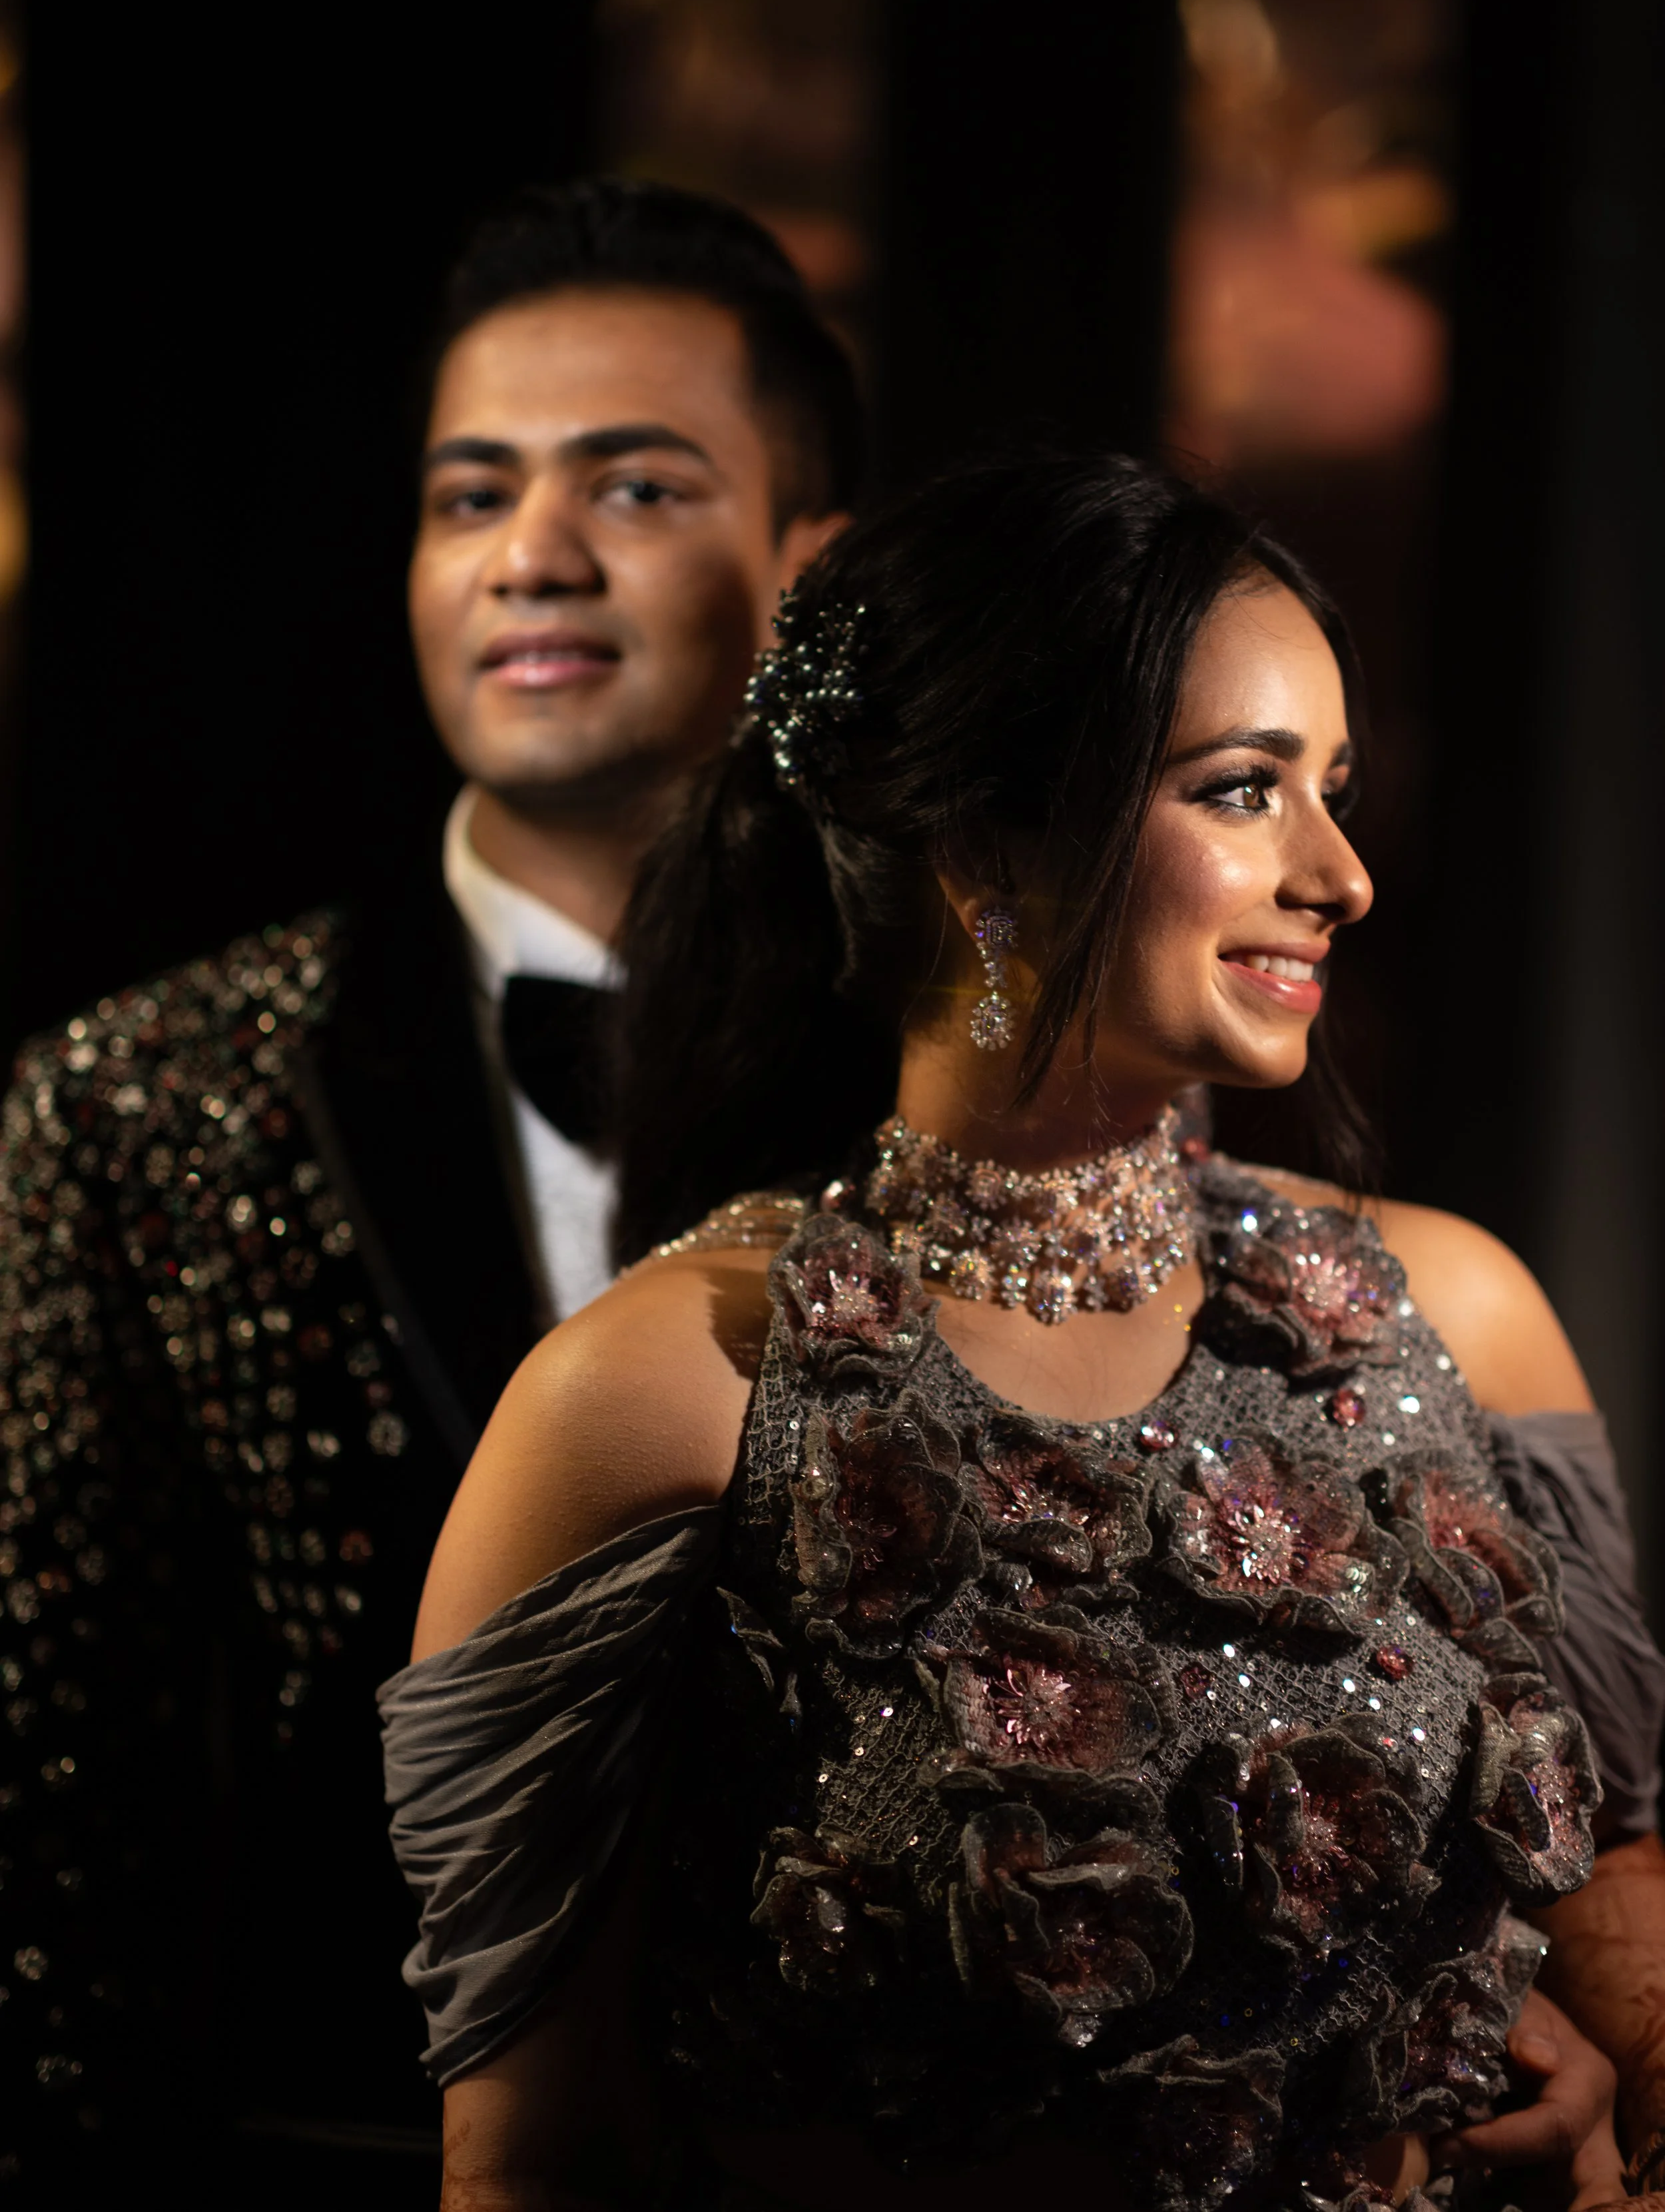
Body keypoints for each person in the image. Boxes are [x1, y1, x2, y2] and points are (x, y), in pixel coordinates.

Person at [384, 450, 1665, 2212]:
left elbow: (1625, 1953)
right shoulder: (664, 1393)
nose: (1340, 873)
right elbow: (536, 2166)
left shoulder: (1448, 1310)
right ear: (988, 846)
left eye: (1334, 789)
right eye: (1241, 790)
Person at [0, 179, 861, 2201]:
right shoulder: (137, 1102)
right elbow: (48, 1819)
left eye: (634, 490)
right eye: (470, 496)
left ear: (806, 571)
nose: (531, 558)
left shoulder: (957, 1077)